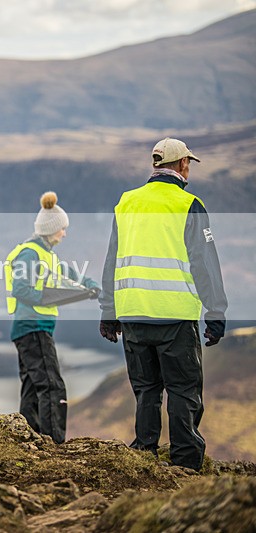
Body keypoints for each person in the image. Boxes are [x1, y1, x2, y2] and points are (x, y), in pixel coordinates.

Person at [99, 137, 228, 471]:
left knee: (146, 390)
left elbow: (112, 259)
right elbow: (204, 262)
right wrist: (216, 312)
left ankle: (144, 457)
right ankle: (185, 465)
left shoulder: (127, 202)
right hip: (175, 316)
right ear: (183, 164)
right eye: (188, 164)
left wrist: (109, 311)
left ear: (156, 165)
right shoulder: (188, 204)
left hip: (133, 314)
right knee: (183, 391)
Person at [5, 191, 100, 444]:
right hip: (33, 327)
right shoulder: (30, 254)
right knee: (51, 385)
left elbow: (68, 273)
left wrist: (91, 285)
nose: (64, 234)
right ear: (50, 229)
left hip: (31, 329)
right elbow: (21, 289)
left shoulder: (46, 255)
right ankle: (53, 443)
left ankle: (30, 440)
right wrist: (47, 298)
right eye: (62, 229)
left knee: (33, 386)